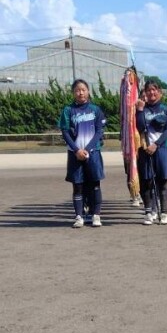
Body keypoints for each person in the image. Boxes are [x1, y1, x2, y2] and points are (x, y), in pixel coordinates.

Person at [58, 79, 106, 228]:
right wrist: (77, 150)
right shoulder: (67, 110)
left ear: (88, 91)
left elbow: (99, 131)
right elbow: (65, 132)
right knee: (77, 186)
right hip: (75, 154)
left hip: (93, 152)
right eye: (77, 90)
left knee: (95, 184)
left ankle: (96, 215)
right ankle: (79, 216)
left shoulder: (95, 110)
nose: (80, 93)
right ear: (73, 93)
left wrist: (89, 148)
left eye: (83, 89)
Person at [136, 81, 167, 225]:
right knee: (146, 181)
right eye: (148, 90)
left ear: (160, 92)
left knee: (163, 181)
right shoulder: (141, 108)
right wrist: (140, 111)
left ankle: (164, 213)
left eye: (154, 90)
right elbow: (140, 127)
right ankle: (149, 212)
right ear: (145, 93)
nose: (151, 93)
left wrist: (156, 144)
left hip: (162, 148)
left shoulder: (166, 109)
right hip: (144, 149)